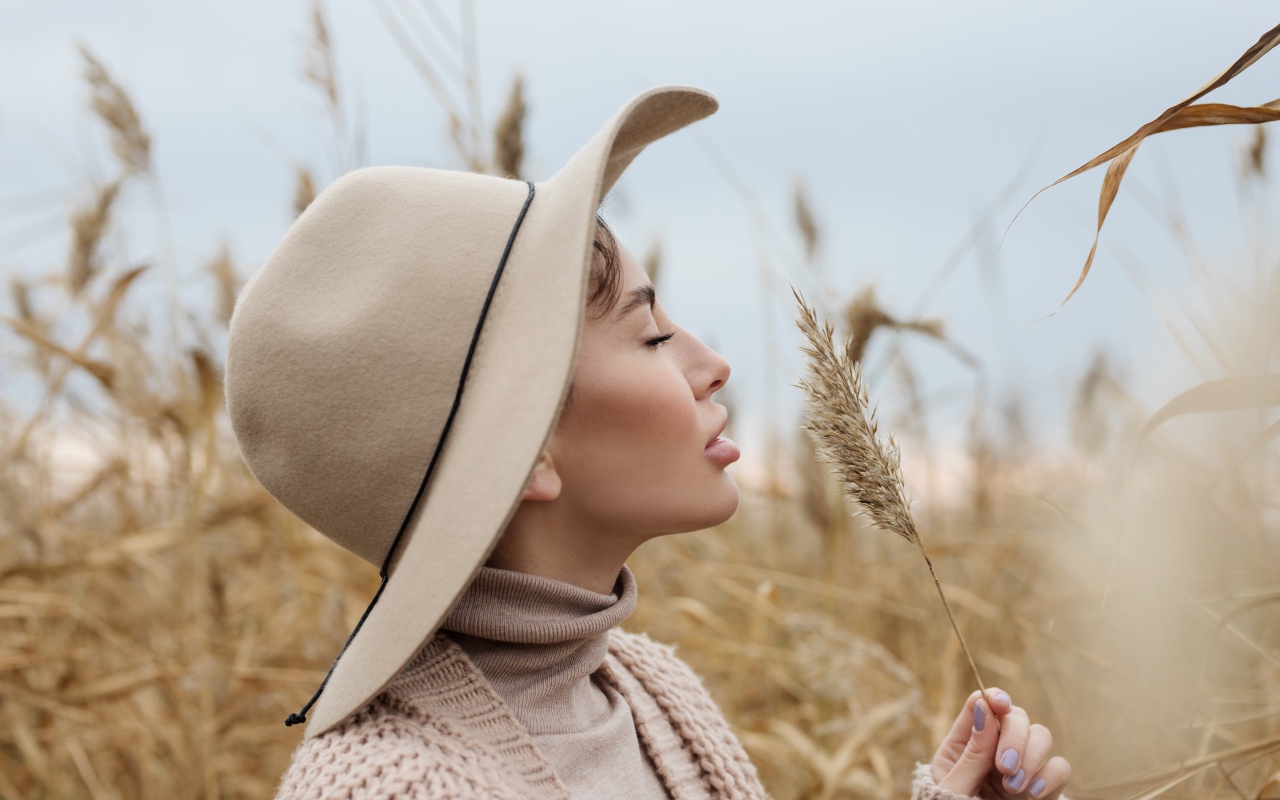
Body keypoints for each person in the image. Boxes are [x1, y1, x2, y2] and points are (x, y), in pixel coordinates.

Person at [224, 86, 1071, 800]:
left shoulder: (649, 690)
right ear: (530, 451)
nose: (714, 365)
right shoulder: (393, 784)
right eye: (653, 338)